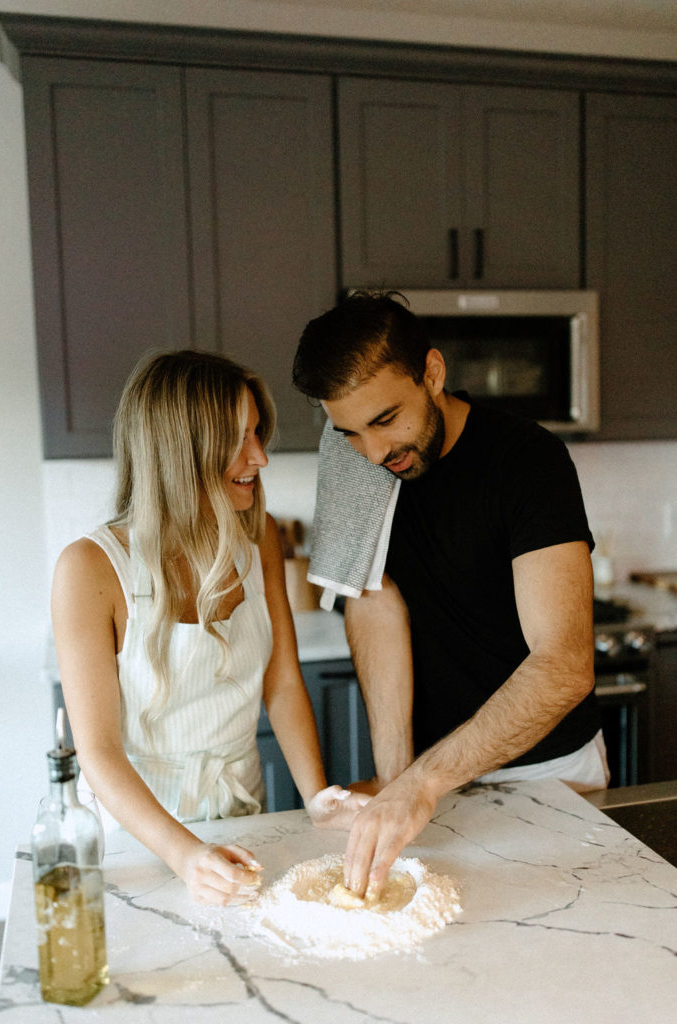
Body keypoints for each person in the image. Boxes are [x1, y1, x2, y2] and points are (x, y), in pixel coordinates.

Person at [292, 291, 609, 899]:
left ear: (432, 373)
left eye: (386, 420)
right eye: (350, 430)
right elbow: (373, 599)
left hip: (550, 774)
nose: (375, 452)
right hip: (431, 785)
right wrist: (396, 779)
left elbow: (564, 665)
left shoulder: (528, 459)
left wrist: (420, 784)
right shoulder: (351, 456)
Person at [52, 350, 367, 907]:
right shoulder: (89, 569)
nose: (261, 458)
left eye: (258, 434)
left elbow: (283, 682)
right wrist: (182, 853)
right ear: (180, 451)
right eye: (240, 438)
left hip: (242, 818)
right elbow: (98, 752)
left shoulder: (259, 537)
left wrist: (317, 796)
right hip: (136, 841)